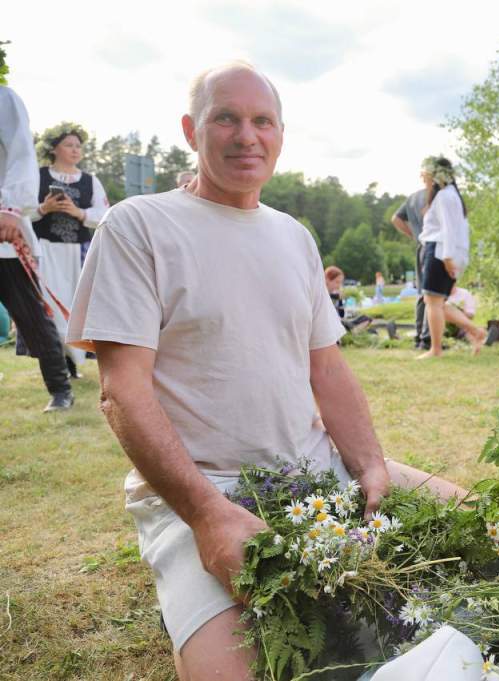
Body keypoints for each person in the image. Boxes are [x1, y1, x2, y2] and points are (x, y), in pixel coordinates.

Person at [66, 62, 460, 681]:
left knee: (475, 529)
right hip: (201, 492)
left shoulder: (293, 236)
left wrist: (371, 465)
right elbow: (122, 392)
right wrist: (206, 517)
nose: (247, 135)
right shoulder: (139, 224)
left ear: (280, 134)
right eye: (226, 117)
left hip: (315, 467)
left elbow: (326, 370)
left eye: (262, 121)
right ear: (191, 129)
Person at [0, 82, 74, 411]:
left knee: (30, 314)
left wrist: (11, 208)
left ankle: (60, 389)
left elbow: (20, 154)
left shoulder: (4, 98)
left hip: (3, 229)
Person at [28, 122, 109, 378]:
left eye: (78, 146)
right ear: (54, 148)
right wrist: (43, 209)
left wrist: (79, 212)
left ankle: (74, 362)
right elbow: (18, 212)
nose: (75, 150)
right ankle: (57, 366)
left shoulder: (90, 180)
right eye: (69, 145)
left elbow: (105, 215)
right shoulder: (37, 176)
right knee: (49, 306)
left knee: (76, 306)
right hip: (45, 250)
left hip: (79, 252)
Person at [416, 156, 487, 358]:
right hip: (445, 252)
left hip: (439, 252)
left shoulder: (445, 197)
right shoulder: (451, 195)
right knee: (438, 303)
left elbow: (448, 230)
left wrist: (447, 258)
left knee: (432, 302)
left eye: (425, 172)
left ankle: (435, 349)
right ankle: (476, 331)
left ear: (435, 174)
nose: (422, 177)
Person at [391, 180, 429, 348]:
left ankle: (419, 336)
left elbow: (395, 219)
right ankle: (428, 338)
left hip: (421, 246)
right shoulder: (434, 196)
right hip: (433, 246)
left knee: (422, 293)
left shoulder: (412, 198)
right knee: (432, 294)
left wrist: (413, 235)